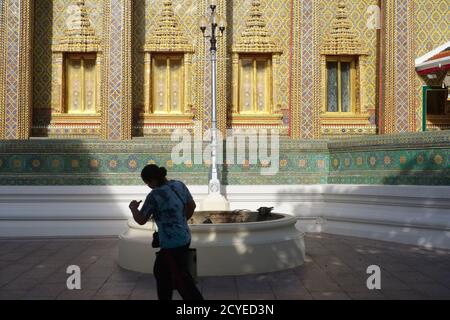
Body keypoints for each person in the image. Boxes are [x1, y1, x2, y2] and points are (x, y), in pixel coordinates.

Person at [128, 164, 203, 300]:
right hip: (185, 237)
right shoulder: (179, 185)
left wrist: (133, 208)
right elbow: (192, 205)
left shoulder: (155, 195)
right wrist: (180, 221)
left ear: (152, 180)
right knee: (165, 274)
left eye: (147, 182)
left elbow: (141, 220)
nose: (148, 186)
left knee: (180, 280)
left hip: (171, 244)